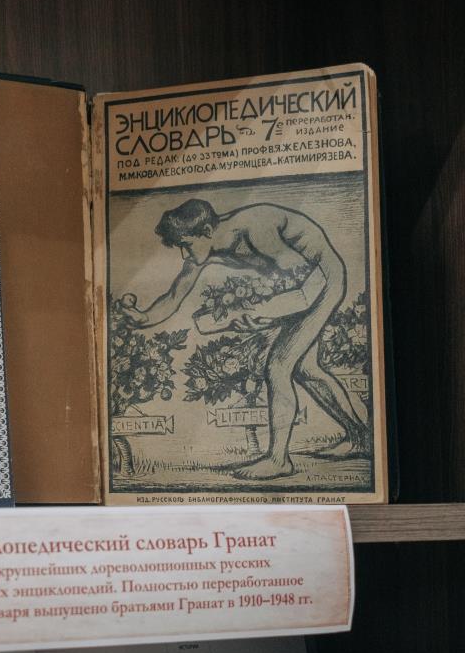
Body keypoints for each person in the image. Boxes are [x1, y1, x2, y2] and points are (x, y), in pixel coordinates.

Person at [121, 198, 370, 479]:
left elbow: (304, 283)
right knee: (306, 368)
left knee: (278, 367)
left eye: (186, 245)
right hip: (300, 286)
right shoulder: (204, 249)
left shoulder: (255, 228)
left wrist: (263, 314)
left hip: (322, 279)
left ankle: (278, 460)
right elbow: (173, 297)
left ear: (206, 231)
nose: (183, 254)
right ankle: (360, 437)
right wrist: (143, 318)